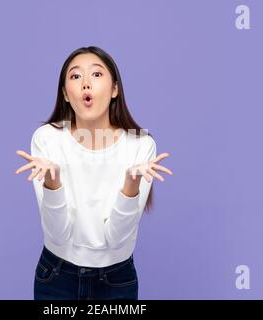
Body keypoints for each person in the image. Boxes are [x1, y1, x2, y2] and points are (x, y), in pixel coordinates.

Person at [15, 46, 173, 300]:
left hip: (116, 279)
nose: (86, 84)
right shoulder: (47, 139)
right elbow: (57, 235)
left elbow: (116, 241)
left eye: (96, 75)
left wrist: (130, 186)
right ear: (66, 94)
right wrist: (52, 183)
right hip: (56, 276)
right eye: (76, 77)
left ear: (114, 89)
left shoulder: (141, 146)